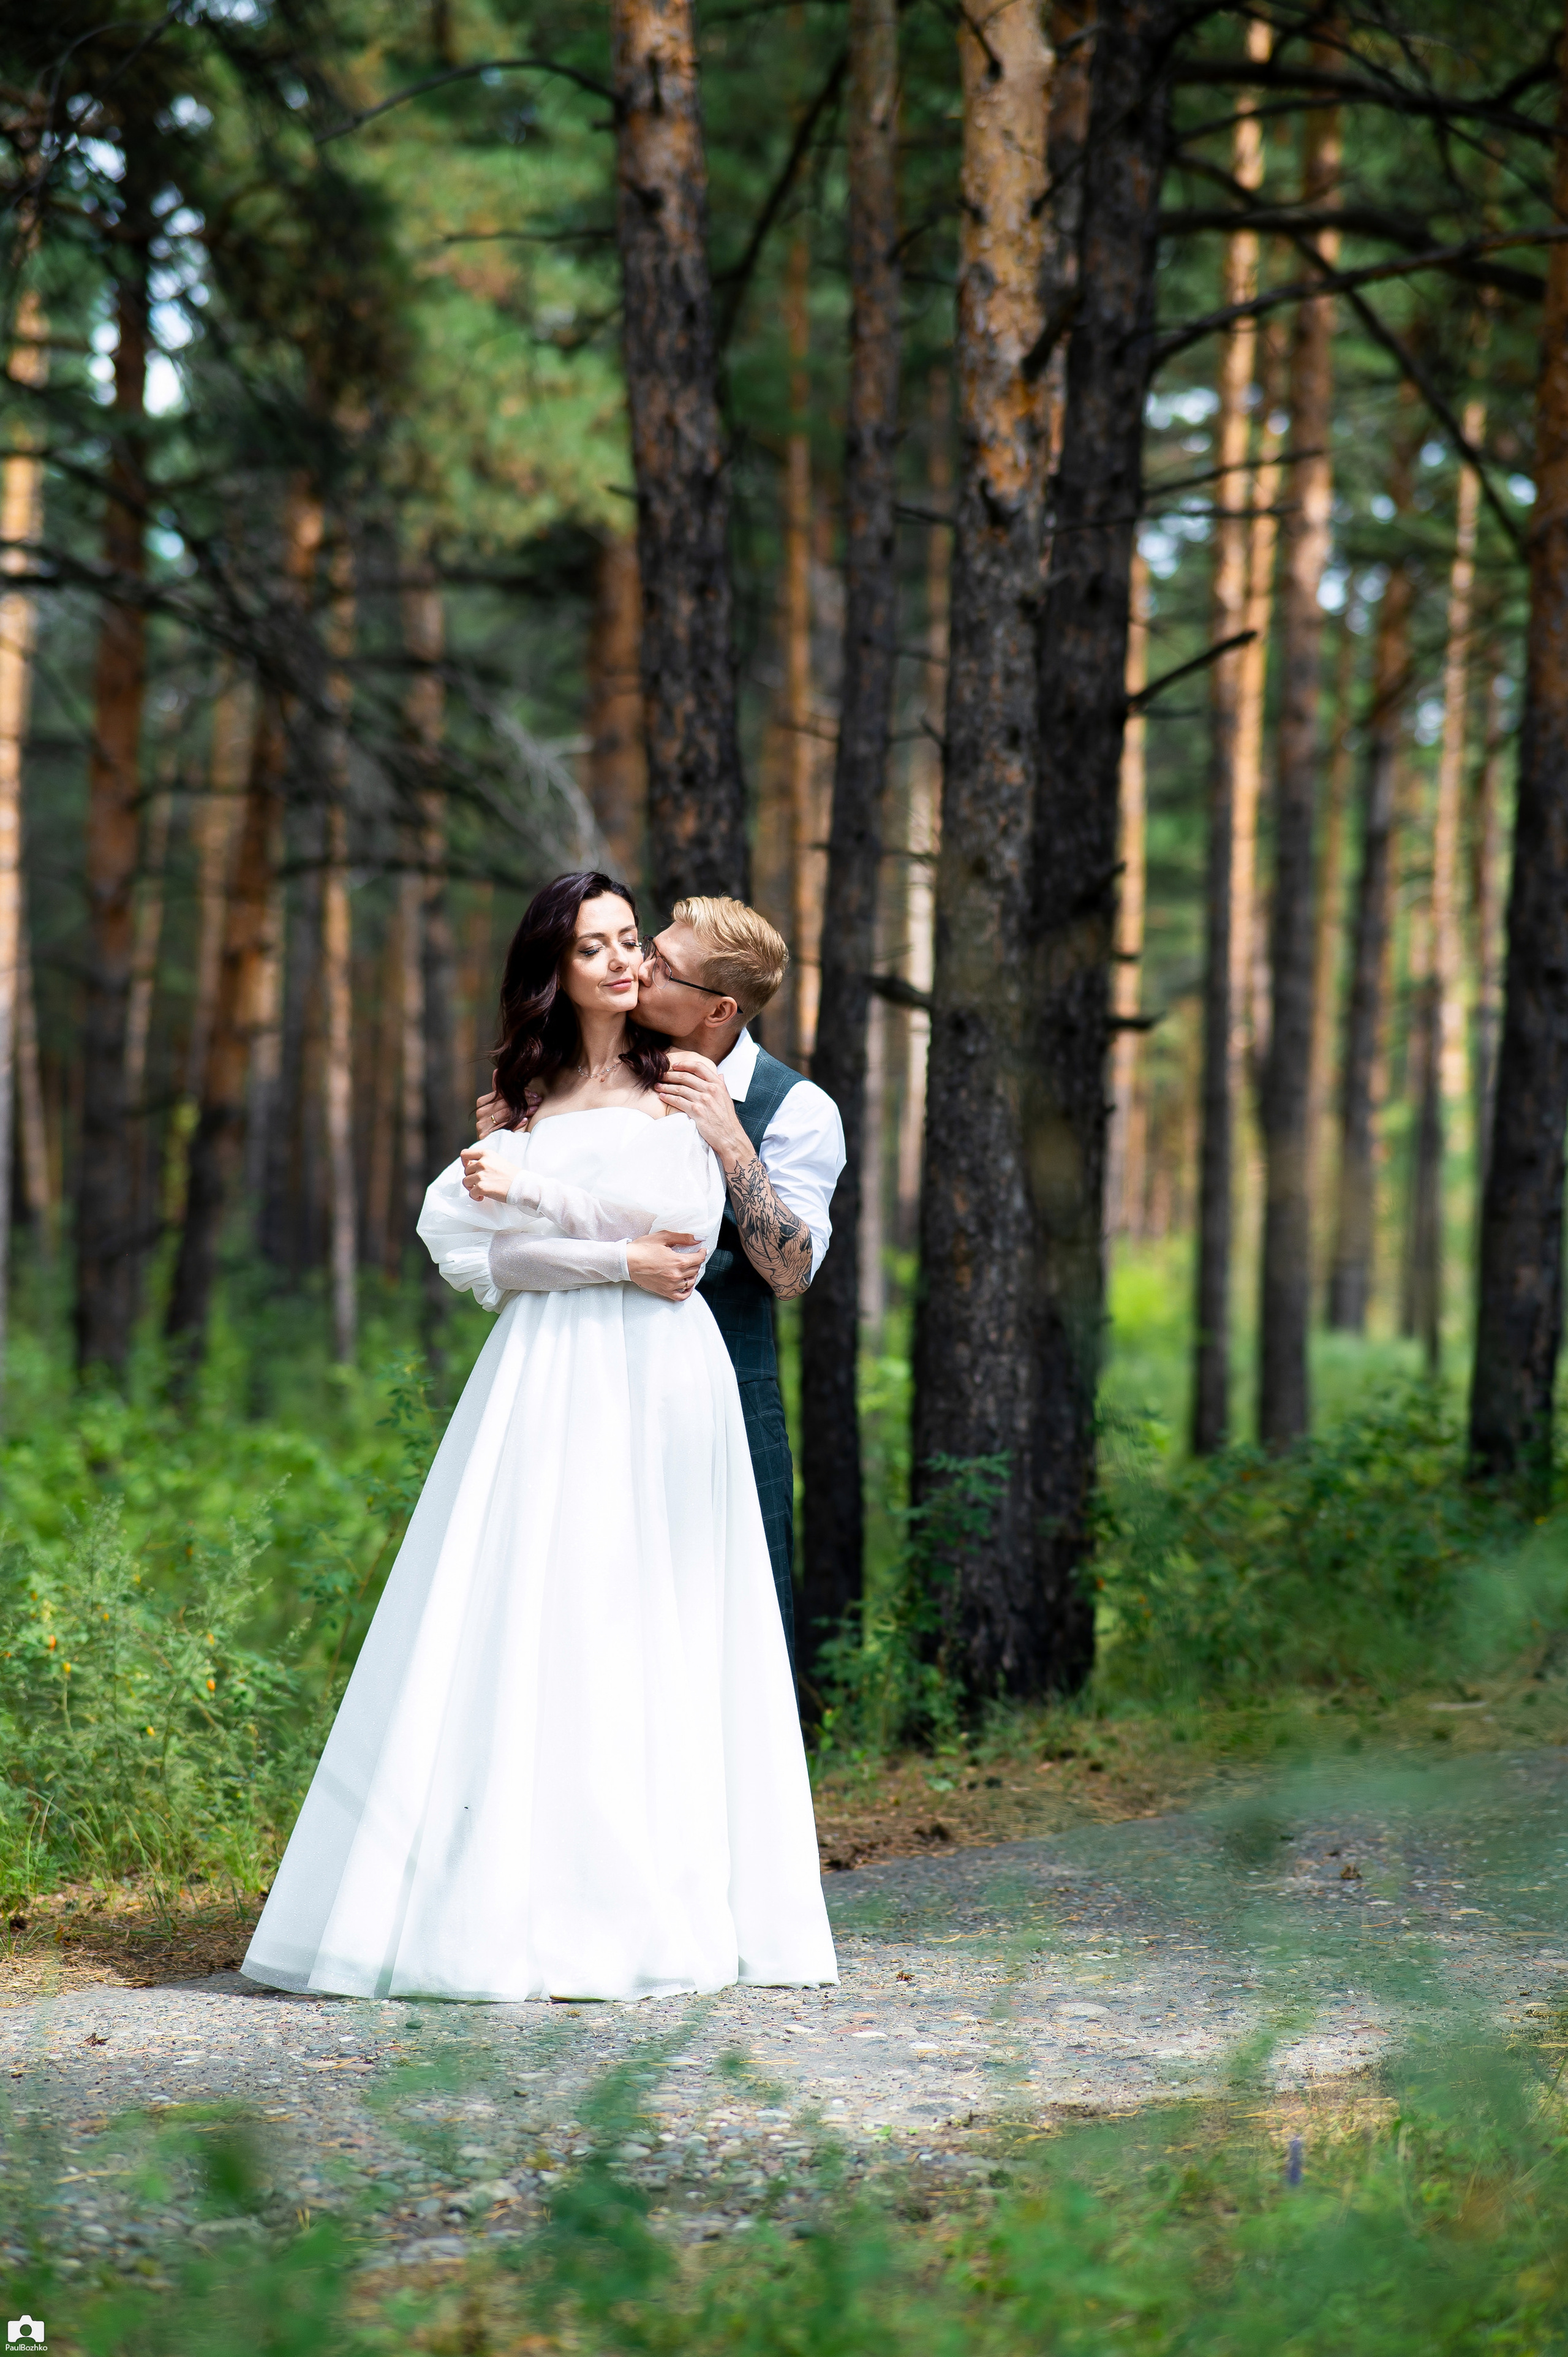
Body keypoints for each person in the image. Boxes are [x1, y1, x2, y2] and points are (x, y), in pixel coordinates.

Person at [241, 872, 836, 2004]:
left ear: (712, 1005)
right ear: (556, 968)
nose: (632, 964)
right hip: (546, 1380)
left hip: (664, 1379)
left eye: (646, 950)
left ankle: (651, 1906)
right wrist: (556, 1215)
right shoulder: (522, 1096)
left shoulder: (712, 1094)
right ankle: (505, 1898)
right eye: (608, 946)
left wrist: (544, 1198)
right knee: (533, 1618)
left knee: (651, 1627)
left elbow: (702, 1247)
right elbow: (482, 1256)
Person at [477, 896, 845, 1673]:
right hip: (585, 1383)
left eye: (659, 964)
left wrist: (730, 1138)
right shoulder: (588, 1070)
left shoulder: (798, 1109)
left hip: (722, 1394)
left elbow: (789, 1273)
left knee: (725, 1631)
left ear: (719, 1009)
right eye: (648, 947)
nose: (637, 966)